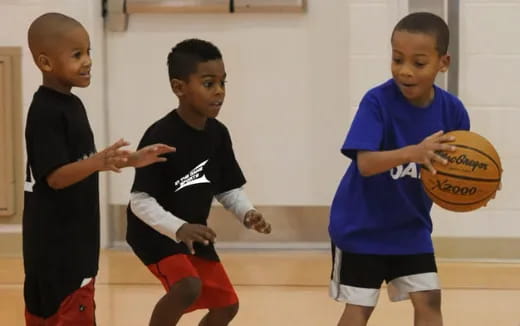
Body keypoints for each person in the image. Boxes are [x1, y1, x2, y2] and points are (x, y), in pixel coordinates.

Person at [23, 12, 174, 325]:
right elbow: (55, 177)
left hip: (68, 242)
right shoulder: (46, 111)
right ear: (46, 63)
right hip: (59, 248)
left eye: (88, 51)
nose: (88, 61)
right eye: (77, 54)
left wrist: (132, 159)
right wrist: (98, 162)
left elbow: (82, 160)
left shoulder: (70, 104)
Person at [328, 12, 470, 326]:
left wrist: (477, 186)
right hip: (360, 228)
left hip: (410, 227)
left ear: (442, 63)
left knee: (430, 298)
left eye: (418, 63)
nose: (404, 71)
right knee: (360, 308)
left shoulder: (453, 111)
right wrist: (414, 153)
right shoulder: (377, 102)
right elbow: (365, 164)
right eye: (397, 59)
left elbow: (457, 167)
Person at [126, 38, 271, 326]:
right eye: (208, 83)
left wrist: (247, 212)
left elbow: (227, 187)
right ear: (179, 87)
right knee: (187, 287)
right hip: (155, 234)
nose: (219, 91)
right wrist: (178, 228)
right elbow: (139, 201)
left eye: (223, 83)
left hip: (194, 233)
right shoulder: (161, 135)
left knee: (226, 306)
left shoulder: (218, 134)